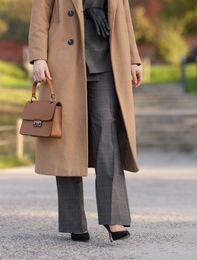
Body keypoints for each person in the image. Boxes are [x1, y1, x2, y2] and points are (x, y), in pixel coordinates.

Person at [28, 0, 143, 242]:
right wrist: (38, 56)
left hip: (107, 60)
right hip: (64, 62)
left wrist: (133, 57)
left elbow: (124, 12)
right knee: (66, 141)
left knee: (107, 136)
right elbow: (40, 13)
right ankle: (74, 222)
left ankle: (114, 218)